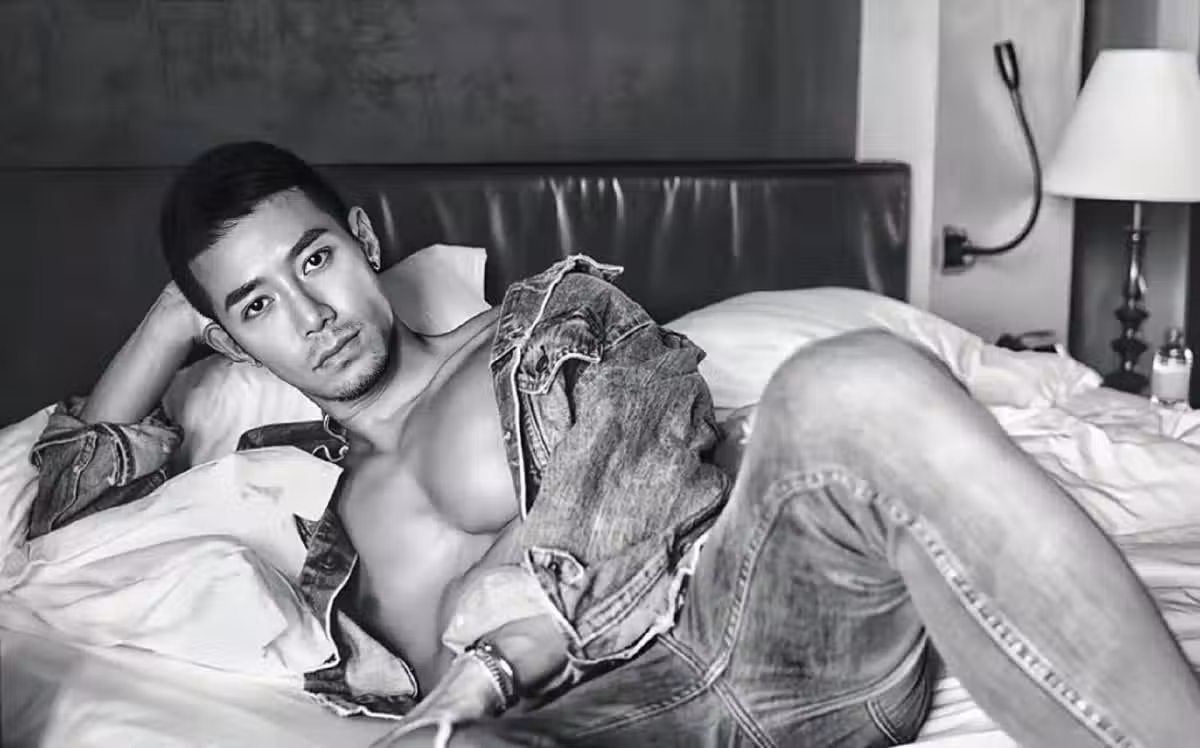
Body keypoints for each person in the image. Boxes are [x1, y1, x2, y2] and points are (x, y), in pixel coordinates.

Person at [30, 141, 1200, 748]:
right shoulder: (310, 504)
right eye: (259, 305)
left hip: (755, 637)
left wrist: (502, 641)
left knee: (858, 380)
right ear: (228, 334)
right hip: (598, 727)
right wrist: (177, 316)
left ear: (366, 240)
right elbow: (55, 513)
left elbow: (650, 440)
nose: (313, 314)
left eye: (316, 260)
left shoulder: (546, 321)